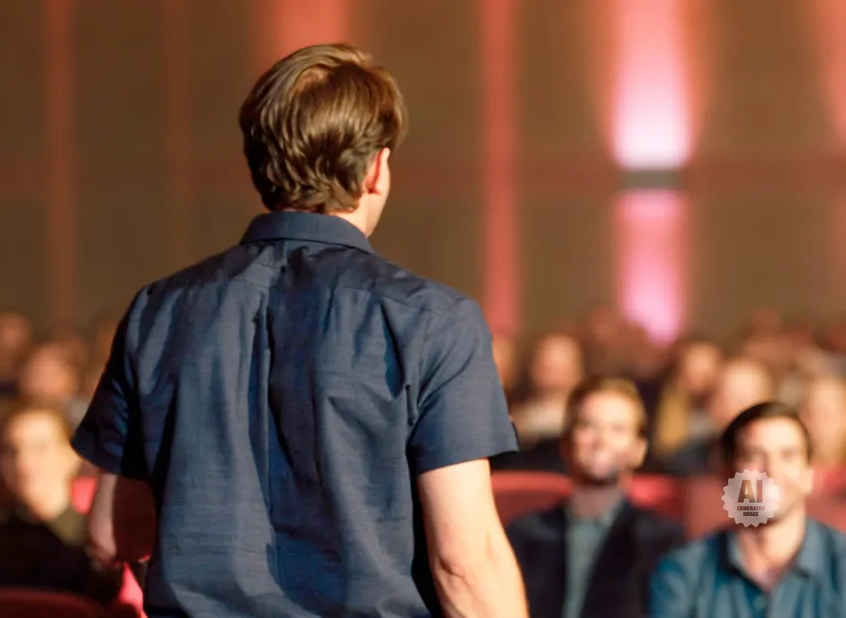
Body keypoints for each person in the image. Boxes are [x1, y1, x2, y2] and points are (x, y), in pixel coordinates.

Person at [71, 43, 527, 617]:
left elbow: (114, 533)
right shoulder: (433, 320)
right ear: (376, 169)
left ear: (259, 164)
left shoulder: (158, 311)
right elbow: (464, 563)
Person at [506, 377, 683, 618]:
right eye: (588, 426)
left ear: (639, 449)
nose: (601, 441)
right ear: (566, 441)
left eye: (618, 430)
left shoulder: (662, 541)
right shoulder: (523, 534)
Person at [649, 402, 846, 617]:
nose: (772, 471)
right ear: (727, 475)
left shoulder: (841, 567)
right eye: (754, 456)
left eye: (788, 456)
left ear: (809, 475)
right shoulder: (684, 574)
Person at [0, 401, 122, 605]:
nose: (23, 463)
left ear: (73, 455)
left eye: (39, 449)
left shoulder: (94, 538)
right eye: (11, 450)